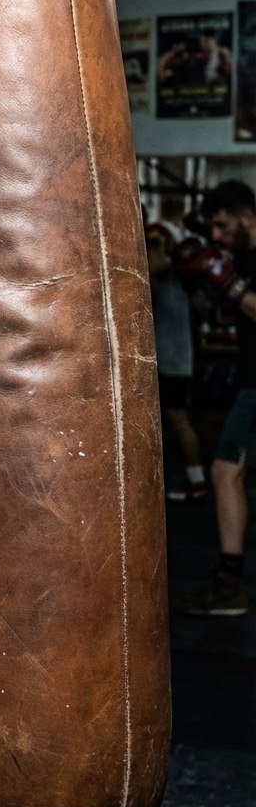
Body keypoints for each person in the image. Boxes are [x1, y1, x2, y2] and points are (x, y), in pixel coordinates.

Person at [172, 180, 256, 616]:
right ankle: (229, 580)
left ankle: (230, 581)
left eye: (223, 226)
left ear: (247, 216)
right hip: (250, 378)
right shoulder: (238, 259)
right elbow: (216, 310)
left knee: (225, 471)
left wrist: (227, 281)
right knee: (226, 470)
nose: (217, 236)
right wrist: (199, 285)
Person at [145, 220, 206, 501]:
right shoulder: (178, 279)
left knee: (178, 419)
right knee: (164, 420)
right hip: (171, 360)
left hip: (171, 361)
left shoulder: (173, 277)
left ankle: (197, 480)